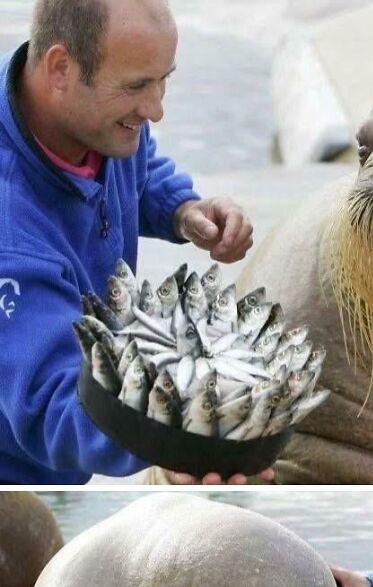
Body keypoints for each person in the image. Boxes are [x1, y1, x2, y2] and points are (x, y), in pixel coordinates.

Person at [0, 0, 274, 485]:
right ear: (60, 68)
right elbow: (56, 405)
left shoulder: (95, 121)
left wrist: (184, 210)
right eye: (137, 87)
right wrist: (185, 437)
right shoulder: (10, 232)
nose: (156, 109)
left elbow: (138, 166)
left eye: (163, 78)